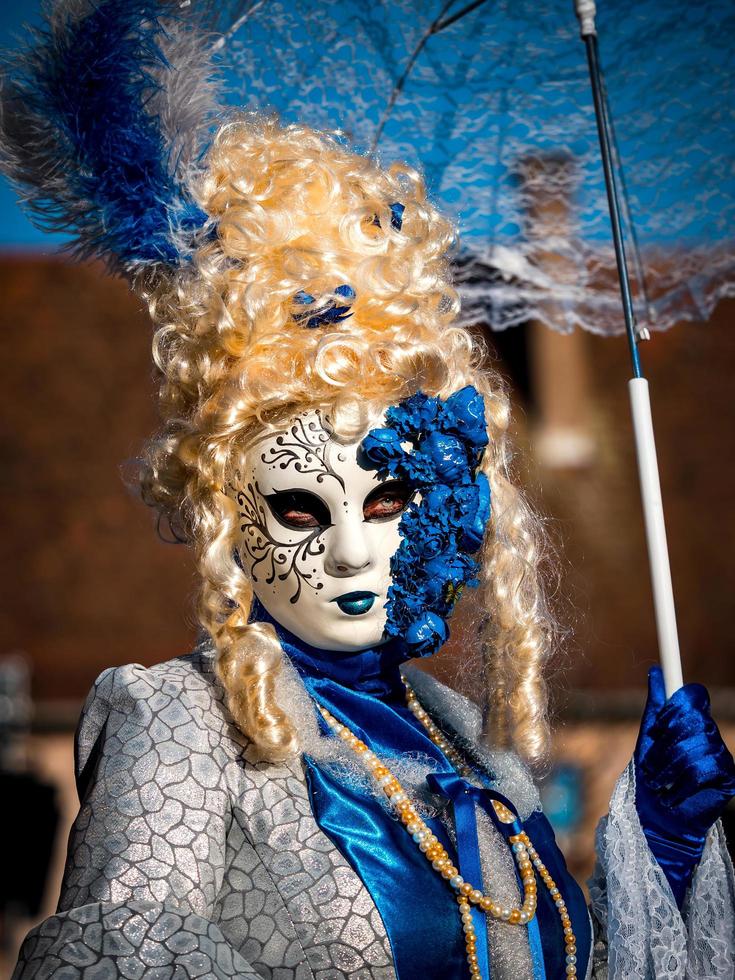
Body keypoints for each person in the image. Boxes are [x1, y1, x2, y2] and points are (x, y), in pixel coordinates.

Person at [3, 3, 734, 978]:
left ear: (432, 501)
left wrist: (664, 839)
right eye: (302, 508)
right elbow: (120, 956)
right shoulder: (183, 722)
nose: (350, 551)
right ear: (229, 513)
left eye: (384, 501)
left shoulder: (470, 751)